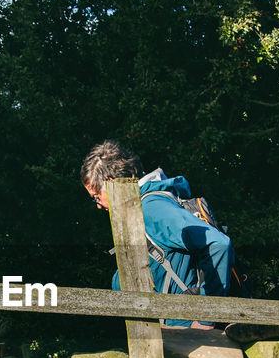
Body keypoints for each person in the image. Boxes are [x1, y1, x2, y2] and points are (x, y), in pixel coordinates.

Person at [80, 140, 233, 328]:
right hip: (172, 335)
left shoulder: (151, 208)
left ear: (111, 184)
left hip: (189, 338)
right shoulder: (144, 207)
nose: (97, 204)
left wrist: (206, 319)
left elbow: (218, 244)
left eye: (97, 197)